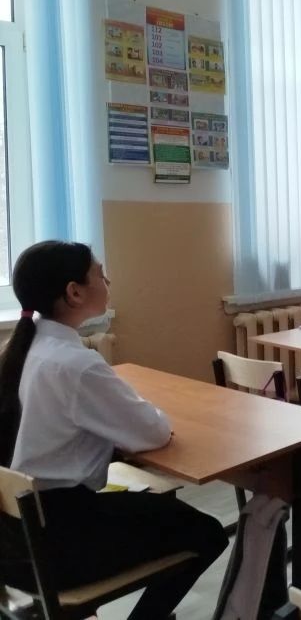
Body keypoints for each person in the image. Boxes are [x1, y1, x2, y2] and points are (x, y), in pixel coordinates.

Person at [0, 241, 227, 620]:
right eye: (100, 274)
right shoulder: (76, 364)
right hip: (61, 545)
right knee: (208, 533)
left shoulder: (20, 350)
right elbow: (155, 432)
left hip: (14, 542)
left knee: (163, 511)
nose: (108, 282)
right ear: (74, 293)